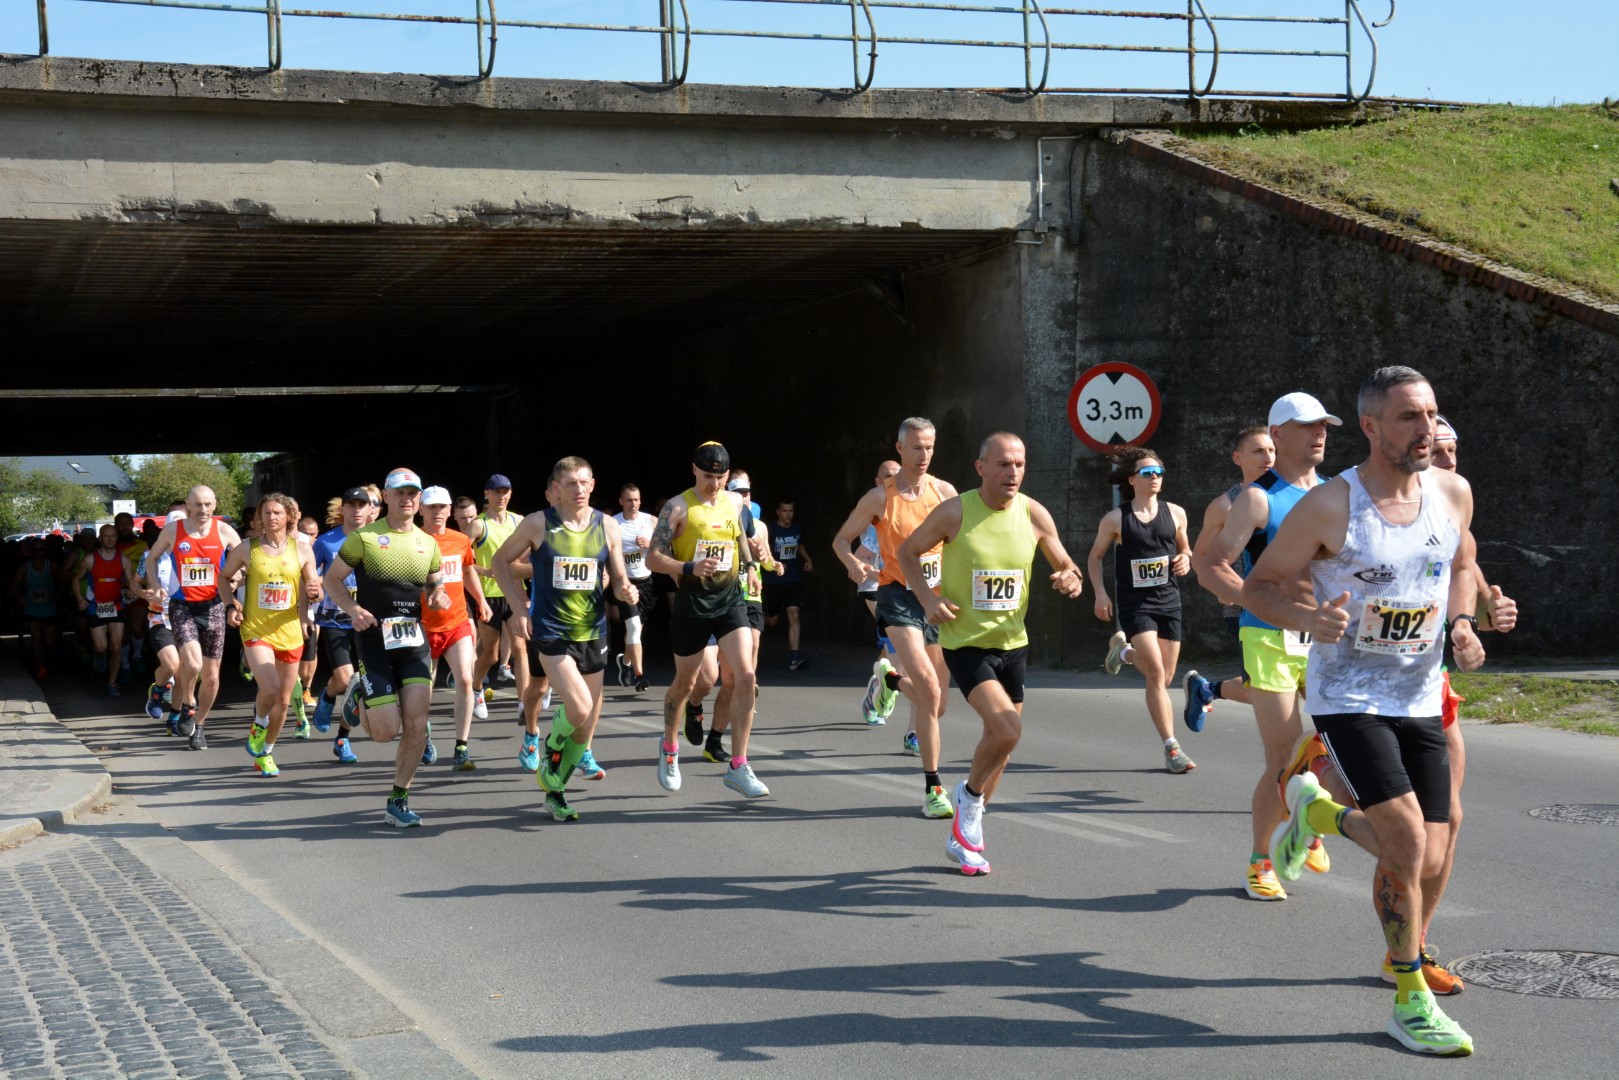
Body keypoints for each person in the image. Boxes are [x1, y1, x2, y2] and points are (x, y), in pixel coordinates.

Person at [1247, 366, 1516, 1057]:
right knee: (1405, 843)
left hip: (1419, 695)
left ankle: (1317, 815)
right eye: (1408, 417)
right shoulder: (1331, 506)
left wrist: (1464, 622)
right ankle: (1408, 997)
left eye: (1430, 414)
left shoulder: (1452, 492)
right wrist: (1307, 616)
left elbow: (1461, 564)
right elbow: (1261, 586)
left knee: (1430, 853)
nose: (1426, 429)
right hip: (1349, 696)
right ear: (1369, 427)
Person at [898, 432, 1085, 875]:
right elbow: (908, 552)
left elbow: (1066, 565)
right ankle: (968, 799)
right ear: (981, 468)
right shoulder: (956, 511)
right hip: (966, 644)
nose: (1012, 472)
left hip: (1013, 645)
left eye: (1019, 464)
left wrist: (1072, 579)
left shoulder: (1033, 513)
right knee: (1007, 728)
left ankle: (965, 834)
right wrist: (927, 599)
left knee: (1001, 745)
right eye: (1003, 464)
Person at [1197, 392, 1339, 901]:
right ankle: (1261, 862)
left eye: (1324, 426)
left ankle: (1305, 817)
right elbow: (1210, 565)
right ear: (1278, 434)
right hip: (1268, 635)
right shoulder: (1259, 499)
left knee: (1339, 748)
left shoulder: (1337, 494)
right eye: (1307, 426)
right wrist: (1258, 602)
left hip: (1325, 638)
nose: (1319, 434)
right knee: (1282, 755)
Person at [493, 457, 639, 820]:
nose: (579, 490)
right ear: (556, 489)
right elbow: (500, 562)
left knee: (585, 727)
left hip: (593, 631)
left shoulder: (606, 525)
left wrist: (625, 589)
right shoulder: (538, 523)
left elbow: (618, 577)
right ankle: (550, 743)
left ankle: (555, 788)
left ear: (593, 485)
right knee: (579, 706)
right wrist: (519, 608)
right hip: (552, 631)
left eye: (584, 483)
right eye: (571, 483)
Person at [833, 419, 958, 817]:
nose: (925, 455)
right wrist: (853, 563)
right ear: (900, 449)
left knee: (938, 703)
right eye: (917, 447)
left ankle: (889, 680)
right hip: (897, 595)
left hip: (935, 598)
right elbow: (840, 539)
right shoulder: (879, 497)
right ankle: (933, 788)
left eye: (930, 447)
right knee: (929, 689)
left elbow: (964, 543)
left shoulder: (945, 493)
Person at [324, 468, 452, 827]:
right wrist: (352, 609)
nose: (406, 499)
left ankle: (399, 798)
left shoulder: (428, 543)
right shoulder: (364, 538)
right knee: (384, 732)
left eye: (412, 493)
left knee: (417, 723)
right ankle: (358, 693)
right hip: (373, 639)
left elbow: (434, 585)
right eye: (399, 493)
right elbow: (332, 580)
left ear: (419, 499)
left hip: (413, 641)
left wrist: (438, 595)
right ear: (386, 496)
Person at [645, 441, 769, 799]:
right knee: (685, 685)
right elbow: (652, 558)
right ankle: (670, 748)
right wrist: (689, 567)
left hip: (730, 601)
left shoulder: (733, 502)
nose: (714, 484)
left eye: (720, 477)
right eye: (707, 477)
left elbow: (738, 536)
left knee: (745, 676)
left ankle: (739, 765)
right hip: (692, 607)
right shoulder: (677, 507)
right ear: (694, 471)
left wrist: (750, 567)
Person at [1085, 447, 1196, 773]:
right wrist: (1100, 594)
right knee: (1157, 673)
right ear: (1132, 479)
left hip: (1169, 601)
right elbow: (1095, 557)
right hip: (1136, 604)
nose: (1155, 478)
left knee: (1164, 676)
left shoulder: (1176, 513)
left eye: (1159, 472)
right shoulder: (1116, 519)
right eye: (1148, 473)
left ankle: (1122, 653)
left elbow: (1186, 548)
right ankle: (1172, 747)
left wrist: (1185, 559)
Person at [221, 493, 321, 778]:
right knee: (271, 688)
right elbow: (224, 578)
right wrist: (230, 605)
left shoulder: (303, 550)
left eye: (277, 512)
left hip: (289, 632)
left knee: (284, 702)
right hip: (256, 629)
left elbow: (314, 588)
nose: (271, 517)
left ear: (288, 516)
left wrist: (314, 593)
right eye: (266, 513)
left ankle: (266, 753)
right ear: (259, 518)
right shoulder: (247, 548)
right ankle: (259, 722)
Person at [1184, 425, 1275, 728]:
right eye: (1258, 451)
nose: (1268, 457)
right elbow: (1199, 557)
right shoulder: (1225, 505)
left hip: (1289, 605)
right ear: (1238, 458)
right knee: (1268, 691)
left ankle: (1207, 689)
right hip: (1244, 609)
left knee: (1289, 688)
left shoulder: (1289, 496)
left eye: (1272, 450)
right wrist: (1222, 590)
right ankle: (1208, 689)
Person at [142, 486, 243, 750]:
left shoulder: (225, 531)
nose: (203, 510)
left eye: (208, 504)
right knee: (193, 664)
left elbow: (248, 563)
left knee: (212, 677)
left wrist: (236, 581)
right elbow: (152, 558)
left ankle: (200, 726)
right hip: (182, 606)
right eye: (197, 504)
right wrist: (156, 584)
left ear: (215, 504)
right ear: (188, 505)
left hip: (214, 607)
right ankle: (188, 703)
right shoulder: (173, 531)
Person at [420, 485, 491, 771]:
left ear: (449, 510)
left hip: (456, 622)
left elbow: (467, 571)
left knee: (464, 678)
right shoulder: (413, 540)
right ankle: (423, 735)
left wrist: (481, 600)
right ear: (421, 510)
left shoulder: (460, 540)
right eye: (431, 507)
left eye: (442, 507)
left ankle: (461, 747)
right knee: (423, 690)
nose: (437, 512)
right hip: (423, 626)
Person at [466, 474, 533, 749]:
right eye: (496, 492)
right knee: (491, 655)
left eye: (505, 491)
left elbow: (532, 550)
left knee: (520, 649)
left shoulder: (520, 521)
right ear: (487, 494)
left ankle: (524, 703)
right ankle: (476, 688)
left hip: (514, 594)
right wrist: (484, 571)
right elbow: (462, 558)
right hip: (489, 597)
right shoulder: (478, 525)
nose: (501, 496)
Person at [309, 488, 373, 764]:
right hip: (336, 620)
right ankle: (328, 694)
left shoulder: (378, 539)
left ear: (370, 509)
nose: (357, 510)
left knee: (361, 685)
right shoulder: (326, 542)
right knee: (347, 681)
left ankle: (342, 738)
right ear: (343, 509)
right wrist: (306, 609)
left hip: (367, 621)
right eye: (352, 505)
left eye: (362, 505)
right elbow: (308, 577)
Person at [72, 523, 133, 696]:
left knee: (116, 647)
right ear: (100, 538)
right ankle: (98, 655)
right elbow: (75, 579)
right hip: (95, 606)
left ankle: (112, 683)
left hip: (117, 605)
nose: (110, 539)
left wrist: (134, 591)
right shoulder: (90, 559)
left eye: (113, 536)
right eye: (106, 536)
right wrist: (79, 598)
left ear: (117, 537)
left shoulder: (124, 559)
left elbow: (131, 582)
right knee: (101, 647)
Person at [611, 483, 656, 692]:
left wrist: (650, 545)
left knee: (638, 629)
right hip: (625, 582)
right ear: (621, 501)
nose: (633, 503)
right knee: (634, 627)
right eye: (629, 500)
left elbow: (666, 547)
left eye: (636, 499)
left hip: (646, 581)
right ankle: (640, 675)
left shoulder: (650, 521)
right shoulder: (613, 523)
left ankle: (626, 662)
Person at [764, 497, 813, 670]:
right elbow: (761, 549)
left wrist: (808, 559)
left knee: (794, 614)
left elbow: (799, 545)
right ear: (778, 512)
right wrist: (774, 563)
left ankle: (794, 657)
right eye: (784, 511)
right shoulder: (770, 529)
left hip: (793, 579)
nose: (788, 514)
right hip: (773, 580)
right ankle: (757, 619)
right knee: (772, 621)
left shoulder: (797, 528)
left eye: (791, 511)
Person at [12, 537, 60, 681]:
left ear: (45, 551)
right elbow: (13, 586)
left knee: (50, 641)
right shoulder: (24, 568)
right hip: (32, 609)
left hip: (49, 608)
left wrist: (58, 595)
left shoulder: (52, 566)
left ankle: (47, 660)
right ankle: (41, 667)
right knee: (36, 639)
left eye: (41, 550)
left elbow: (63, 581)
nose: (38, 553)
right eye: (35, 550)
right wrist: (20, 598)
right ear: (31, 552)